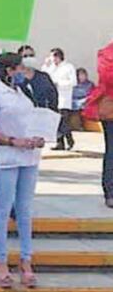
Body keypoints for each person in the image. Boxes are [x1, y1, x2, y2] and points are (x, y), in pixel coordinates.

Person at [0, 53, 45, 289]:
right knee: (3, 208)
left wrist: (39, 137)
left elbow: (34, 119)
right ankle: (2, 261)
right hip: (6, 154)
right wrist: (10, 140)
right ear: (8, 70)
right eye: (18, 68)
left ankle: (26, 261)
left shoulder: (24, 93)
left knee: (25, 209)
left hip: (29, 155)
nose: (22, 72)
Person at [82, 41, 113, 208]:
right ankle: (111, 192)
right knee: (112, 151)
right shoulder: (107, 53)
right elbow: (108, 77)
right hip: (111, 109)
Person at [42, 48, 76, 151]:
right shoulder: (51, 68)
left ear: (58, 57)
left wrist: (59, 83)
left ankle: (70, 140)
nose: (52, 60)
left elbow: (73, 82)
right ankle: (59, 142)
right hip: (52, 98)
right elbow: (44, 76)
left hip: (63, 98)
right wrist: (46, 66)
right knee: (55, 122)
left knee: (63, 122)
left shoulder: (68, 67)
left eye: (53, 57)